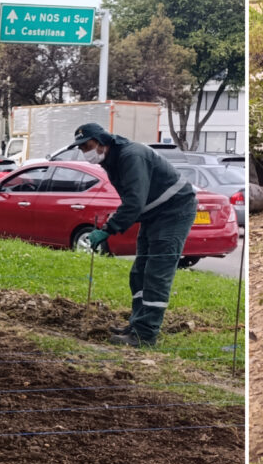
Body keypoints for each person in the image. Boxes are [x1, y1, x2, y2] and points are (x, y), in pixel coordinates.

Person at [71, 121, 197, 347]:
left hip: (174, 211)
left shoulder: (131, 156)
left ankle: (145, 335)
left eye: (87, 146)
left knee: (156, 273)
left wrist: (108, 229)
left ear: (101, 142)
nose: (85, 152)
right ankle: (137, 324)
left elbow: (134, 202)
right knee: (139, 272)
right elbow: (134, 198)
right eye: (81, 148)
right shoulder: (111, 158)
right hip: (154, 213)